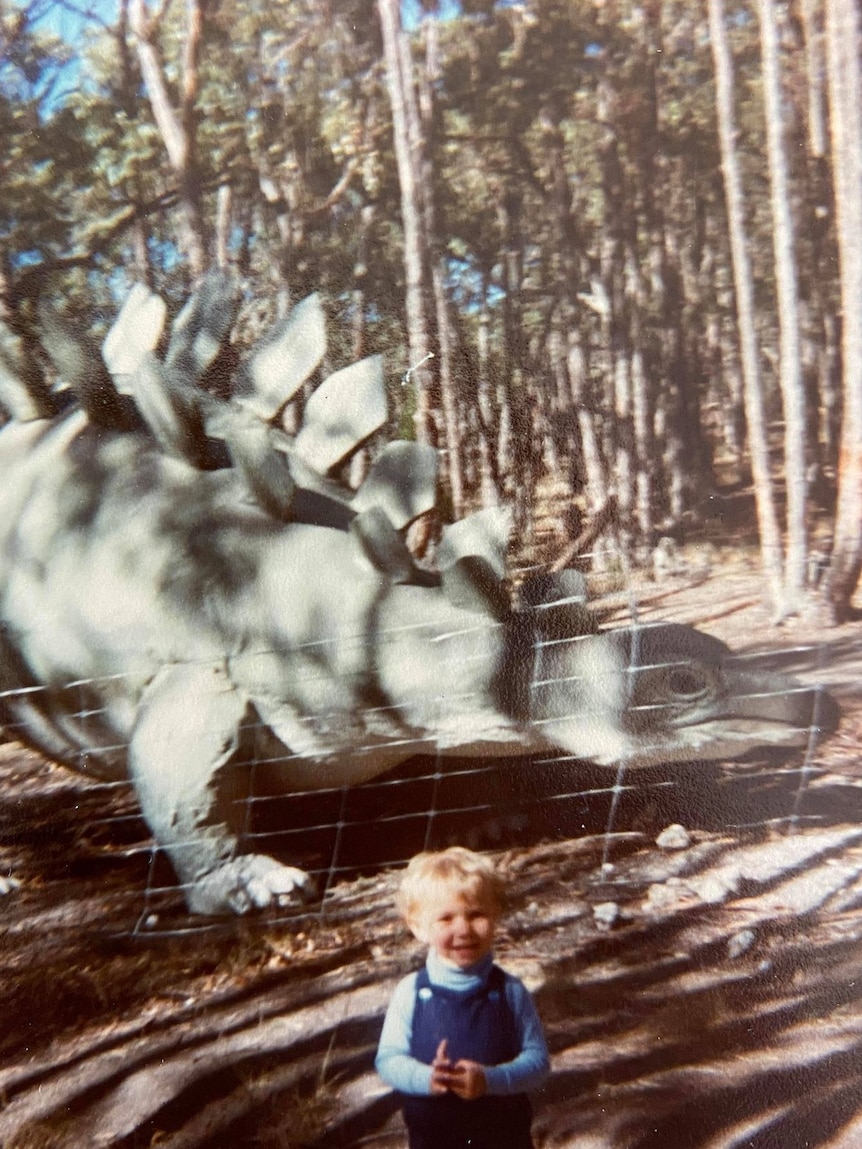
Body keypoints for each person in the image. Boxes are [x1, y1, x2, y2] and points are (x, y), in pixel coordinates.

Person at [375, 846, 550, 1149]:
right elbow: (388, 1060)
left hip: (504, 1139)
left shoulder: (509, 991)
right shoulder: (412, 993)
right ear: (418, 927)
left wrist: (489, 1080)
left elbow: (537, 1062)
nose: (463, 929)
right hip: (434, 1140)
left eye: (476, 914)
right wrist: (426, 1077)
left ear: (495, 915)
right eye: (446, 918)